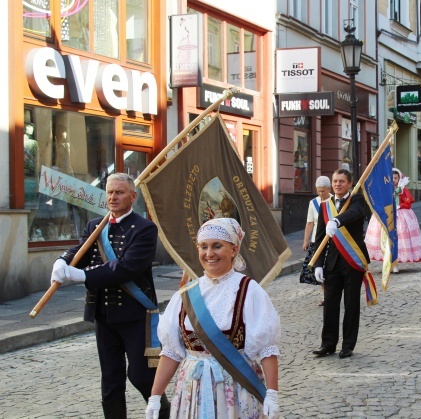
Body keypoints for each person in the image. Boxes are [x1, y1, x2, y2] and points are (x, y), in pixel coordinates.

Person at [50, 173, 170, 419]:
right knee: (111, 380)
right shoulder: (96, 226)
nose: (113, 197)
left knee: (142, 376)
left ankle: (165, 414)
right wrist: (62, 260)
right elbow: (80, 250)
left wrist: (83, 276)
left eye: (120, 192)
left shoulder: (145, 228)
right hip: (104, 314)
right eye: (110, 192)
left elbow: (128, 267)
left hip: (135, 313)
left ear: (132, 197)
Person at [146, 218, 281, 419]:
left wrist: (272, 393)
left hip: (236, 388)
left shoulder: (249, 291)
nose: (209, 253)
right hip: (192, 388)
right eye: (204, 247)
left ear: (234, 249)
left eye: (217, 246)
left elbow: (266, 348)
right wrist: (155, 396)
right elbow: (172, 352)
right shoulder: (185, 295)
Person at [312, 169, 369, 359]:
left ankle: (348, 345)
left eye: (342, 181)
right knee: (330, 304)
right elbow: (320, 237)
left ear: (350, 183)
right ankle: (328, 344)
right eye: (335, 181)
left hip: (353, 260)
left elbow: (355, 214)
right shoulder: (324, 206)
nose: (337, 184)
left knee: (351, 304)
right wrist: (318, 264)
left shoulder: (357, 200)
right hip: (332, 263)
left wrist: (337, 220)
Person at [365, 168, 421, 272]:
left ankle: (395, 263)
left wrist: (399, 205)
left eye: (395, 178)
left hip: (400, 215)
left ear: (399, 178)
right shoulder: (383, 189)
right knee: (384, 238)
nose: (393, 180)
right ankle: (387, 262)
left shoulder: (402, 189)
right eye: (391, 178)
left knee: (399, 239)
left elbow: (408, 203)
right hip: (385, 214)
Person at [300, 176, 332, 306]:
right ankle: (325, 296)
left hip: (333, 241)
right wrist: (305, 241)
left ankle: (334, 293)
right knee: (321, 269)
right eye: (318, 191)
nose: (320, 193)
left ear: (329, 189)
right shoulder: (313, 203)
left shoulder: (334, 201)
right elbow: (309, 223)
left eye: (323, 191)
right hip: (317, 241)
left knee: (331, 269)